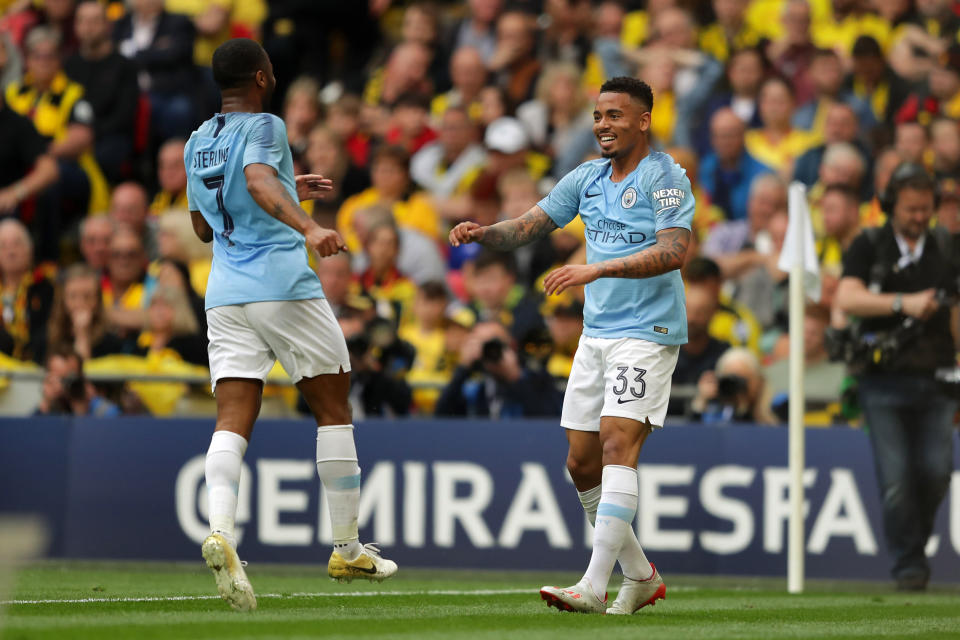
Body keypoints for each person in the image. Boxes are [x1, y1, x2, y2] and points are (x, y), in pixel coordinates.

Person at [450, 76, 693, 614]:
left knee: (615, 447)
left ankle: (591, 584)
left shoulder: (666, 178)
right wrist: (483, 233)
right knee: (581, 464)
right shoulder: (586, 177)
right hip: (597, 335)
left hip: (648, 333)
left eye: (615, 115)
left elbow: (675, 251)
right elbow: (530, 225)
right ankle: (641, 575)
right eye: (599, 115)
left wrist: (596, 268)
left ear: (644, 120)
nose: (603, 125)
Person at [184, 38, 397, 611]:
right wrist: (306, 224)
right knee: (333, 407)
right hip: (280, 283)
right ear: (259, 76)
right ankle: (347, 547)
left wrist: (281, 190)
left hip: (224, 293)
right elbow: (256, 181)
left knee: (232, 417)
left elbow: (205, 227)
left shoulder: (197, 140)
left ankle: (222, 532)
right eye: (272, 69)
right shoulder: (267, 125)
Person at [834, 162, 958, 591]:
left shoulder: (947, 245)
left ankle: (913, 551)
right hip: (881, 379)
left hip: (939, 378)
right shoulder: (869, 244)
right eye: (910, 209)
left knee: (937, 471)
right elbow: (847, 297)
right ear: (890, 207)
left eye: (926, 209)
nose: (919, 217)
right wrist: (904, 303)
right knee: (896, 479)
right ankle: (909, 567)